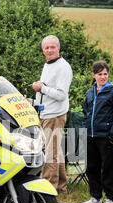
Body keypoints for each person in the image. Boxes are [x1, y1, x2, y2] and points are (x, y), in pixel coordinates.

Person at [80, 61, 113, 203]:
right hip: (90, 135)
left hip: (105, 136)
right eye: (99, 74)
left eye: (105, 74)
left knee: (108, 169)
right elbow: (86, 112)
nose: (103, 77)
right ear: (94, 75)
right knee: (92, 167)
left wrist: (112, 135)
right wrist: (85, 129)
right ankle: (95, 198)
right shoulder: (90, 92)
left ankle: (110, 200)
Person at [32, 35, 73, 193]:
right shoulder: (49, 64)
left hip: (55, 115)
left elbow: (61, 94)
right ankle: (61, 186)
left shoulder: (63, 67)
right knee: (56, 150)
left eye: (52, 47)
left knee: (51, 153)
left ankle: (46, 188)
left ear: (58, 48)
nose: (49, 50)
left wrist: (41, 88)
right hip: (46, 113)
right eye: (46, 48)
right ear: (43, 50)